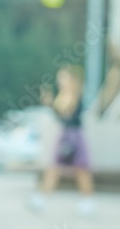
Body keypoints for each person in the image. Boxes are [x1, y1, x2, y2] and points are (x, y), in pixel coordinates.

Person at [30, 65, 95, 214]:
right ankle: (42, 198)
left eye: (64, 78)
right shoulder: (63, 97)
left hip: (74, 136)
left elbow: (71, 116)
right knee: (54, 168)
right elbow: (60, 118)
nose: (61, 81)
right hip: (65, 134)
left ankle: (88, 201)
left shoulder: (76, 96)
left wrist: (55, 104)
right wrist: (50, 104)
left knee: (81, 170)